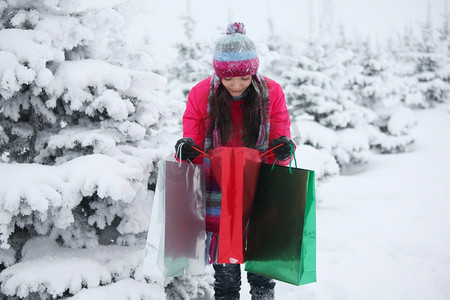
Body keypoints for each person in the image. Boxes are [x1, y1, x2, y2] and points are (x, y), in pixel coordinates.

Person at [173, 22, 294, 300]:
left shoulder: (272, 92)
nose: (236, 85)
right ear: (218, 74)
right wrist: (187, 148)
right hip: (219, 186)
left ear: (254, 72)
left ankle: (262, 294)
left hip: (260, 182)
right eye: (228, 79)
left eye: (244, 78)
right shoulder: (202, 94)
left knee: (262, 262)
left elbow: (281, 131)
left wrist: (284, 148)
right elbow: (192, 132)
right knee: (225, 269)